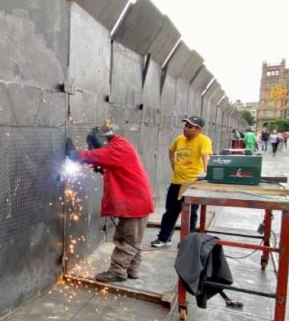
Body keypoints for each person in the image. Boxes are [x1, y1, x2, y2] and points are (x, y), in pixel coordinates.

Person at [67, 124, 154, 283]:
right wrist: (103, 168)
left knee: (126, 239)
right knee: (133, 238)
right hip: (137, 200)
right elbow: (107, 161)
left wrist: (75, 155)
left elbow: (95, 155)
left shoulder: (117, 149)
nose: (95, 150)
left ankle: (117, 271)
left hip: (135, 202)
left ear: (102, 140)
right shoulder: (119, 145)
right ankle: (132, 270)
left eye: (95, 146)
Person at [150, 116, 213, 248]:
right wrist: (174, 166)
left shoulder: (204, 141)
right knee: (170, 212)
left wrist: (207, 177)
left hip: (192, 184)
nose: (185, 129)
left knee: (190, 214)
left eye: (190, 127)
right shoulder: (179, 139)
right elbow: (171, 152)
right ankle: (164, 238)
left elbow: (205, 158)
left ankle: (187, 242)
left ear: (198, 129)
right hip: (176, 182)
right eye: (185, 126)